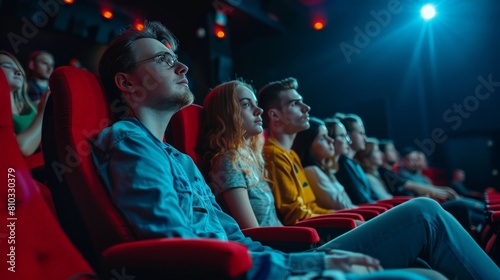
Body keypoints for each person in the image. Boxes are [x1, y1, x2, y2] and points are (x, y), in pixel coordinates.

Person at [91, 21, 499, 279]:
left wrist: (301, 262)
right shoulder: (130, 144)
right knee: (423, 222)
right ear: (127, 84)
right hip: (246, 272)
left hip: (267, 262)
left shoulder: (179, 158)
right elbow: (180, 249)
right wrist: (310, 263)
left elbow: (235, 237)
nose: (181, 67)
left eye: (178, 59)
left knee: (425, 260)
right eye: (164, 60)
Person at [292, 117, 357, 209]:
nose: (331, 140)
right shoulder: (311, 171)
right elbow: (341, 207)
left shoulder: (324, 169)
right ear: (308, 144)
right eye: (322, 138)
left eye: (328, 135)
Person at [0, 50, 50, 156]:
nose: (18, 72)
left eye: (19, 69)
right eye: (7, 66)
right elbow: (21, 148)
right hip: (18, 171)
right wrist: (43, 113)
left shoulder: (32, 106)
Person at [333, 113, 379, 204]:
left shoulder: (353, 163)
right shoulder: (342, 163)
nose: (365, 138)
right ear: (348, 135)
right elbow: (360, 199)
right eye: (361, 133)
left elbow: (371, 196)